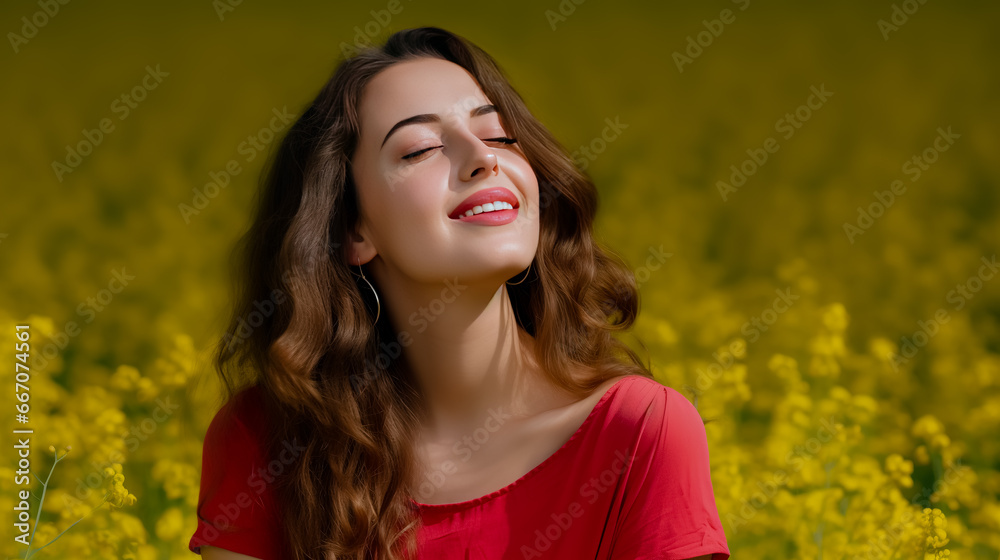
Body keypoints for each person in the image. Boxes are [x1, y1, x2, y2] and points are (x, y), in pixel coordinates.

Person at [187, 26, 730, 560]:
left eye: (498, 135)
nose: (483, 157)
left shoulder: (640, 435)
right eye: (420, 149)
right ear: (354, 230)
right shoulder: (270, 441)